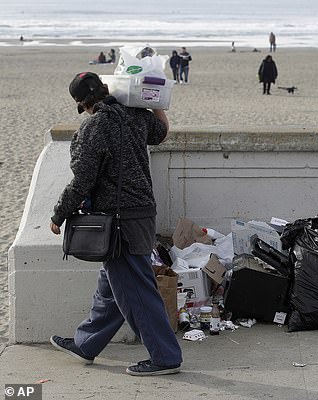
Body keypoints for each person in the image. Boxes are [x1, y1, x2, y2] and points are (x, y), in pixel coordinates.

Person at [49, 72, 183, 376]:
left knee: (137, 292)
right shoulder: (134, 115)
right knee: (110, 288)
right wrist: (155, 101)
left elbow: (83, 180)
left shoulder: (95, 126)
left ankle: (165, 357)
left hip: (121, 222)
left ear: (82, 104)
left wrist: (59, 214)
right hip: (141, 213)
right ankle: (87, 343)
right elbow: (161, 131)